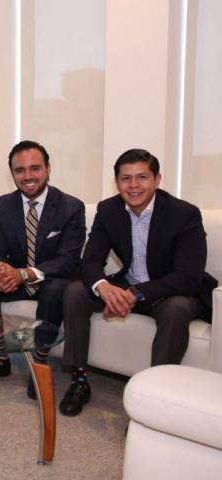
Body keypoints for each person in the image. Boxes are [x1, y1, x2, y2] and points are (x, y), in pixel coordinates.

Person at [60, 148, 218, 416]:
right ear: (117, 182)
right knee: (75, 291)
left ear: (157, 179)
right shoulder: (108, 210)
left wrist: (135, 293)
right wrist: (104, 288)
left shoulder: (184, 214)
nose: (134, 185)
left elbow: (188, 275)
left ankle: (157, 396)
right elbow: (90, 261)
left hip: (173, 290)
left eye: (142, 177)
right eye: (126, 178)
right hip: (129, 285)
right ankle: (79, 380)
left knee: (176, 309)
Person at [0, 140, 85, 398]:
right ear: (12, 173)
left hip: (50, 280)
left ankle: (38, 363)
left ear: (48, 169)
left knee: (55, 288)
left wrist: (23, 274)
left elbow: (68, 260)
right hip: (16, 281)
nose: (28, 176)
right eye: (20, 170)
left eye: (35, 168)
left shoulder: (70, 206)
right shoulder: (2, 205)